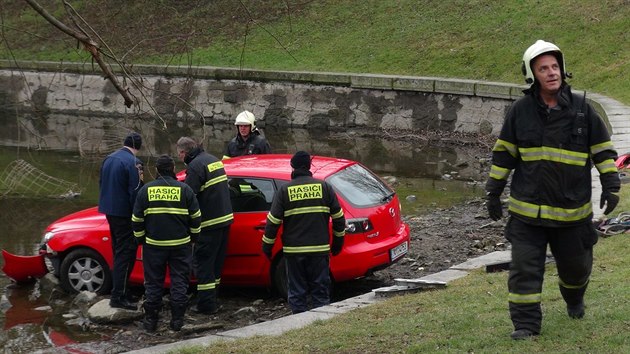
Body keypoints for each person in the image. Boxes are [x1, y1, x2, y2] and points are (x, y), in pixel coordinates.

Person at [485, 40, 620, 340]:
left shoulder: (583, 109)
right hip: (526, 215)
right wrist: (493, 191)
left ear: (562, 70)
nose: (551, 73)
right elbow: (504, 153)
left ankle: (574, 299)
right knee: (524, 270)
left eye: (554, 67)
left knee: (575, 270)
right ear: (532, 75)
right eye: (543, 68)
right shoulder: (519, 112)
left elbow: (602, 150)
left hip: (572, 214)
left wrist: (611, 185)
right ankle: (526, 325)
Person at [262, 151, 346, 314]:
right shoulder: (324, 187)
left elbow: (273, 223)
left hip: (294, 252)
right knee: (320, 291)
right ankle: (322, 323)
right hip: (319, 251)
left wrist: (267, 247)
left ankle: (299, 324)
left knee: (297, 293)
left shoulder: (285, 190)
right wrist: (337, 243)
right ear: (309, 167)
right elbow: (339, 219)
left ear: (292, 167)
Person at [131, 155, 201, 332]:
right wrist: (193, 238)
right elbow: (196, 219)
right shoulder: (185, 190)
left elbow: (136, 220)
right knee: (179, 283)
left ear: (156, 170)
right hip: (181, 246)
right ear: (172, 169)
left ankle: (151, 322)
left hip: (154, 246)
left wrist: (141, 240)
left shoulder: (145, 190)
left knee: (153, 283)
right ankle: (177, 321)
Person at [177, 136, 234, 315]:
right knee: (216, 264)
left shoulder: (195, 167)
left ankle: (206, 305)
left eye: (179, 154)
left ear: (184, 152)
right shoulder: (213, 160)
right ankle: (213, 298)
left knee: (204, 265)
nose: (179, 158)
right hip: (225, 221)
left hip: (209, 225)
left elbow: (189, 197)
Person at [98, 131, 144, 310]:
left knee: (118, 251)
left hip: (109, 211)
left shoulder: (109, 158)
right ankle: (118, 296)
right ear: (138, 148)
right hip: (125, 214)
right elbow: (136, 191)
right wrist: (139, 215)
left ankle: (122, 290)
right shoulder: (134, 163)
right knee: (126, 253)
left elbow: (101, 183)